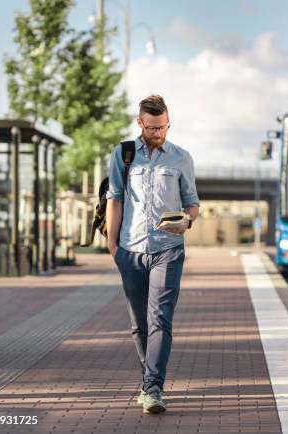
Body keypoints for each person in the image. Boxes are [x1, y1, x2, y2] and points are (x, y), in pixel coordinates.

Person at [106, 95, 200, 414]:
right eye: (153, 127)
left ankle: (152, 388)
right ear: (140, 123)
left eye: (164, 127)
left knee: (159, 317)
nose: (159, 133)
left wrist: (187, 220)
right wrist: (112, 246)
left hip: (168, 250)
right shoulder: (123, 154)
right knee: (139, 323)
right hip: (130, 250)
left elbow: (192, 202)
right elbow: (115, 199)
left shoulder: (181, 158)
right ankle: (150, 378)